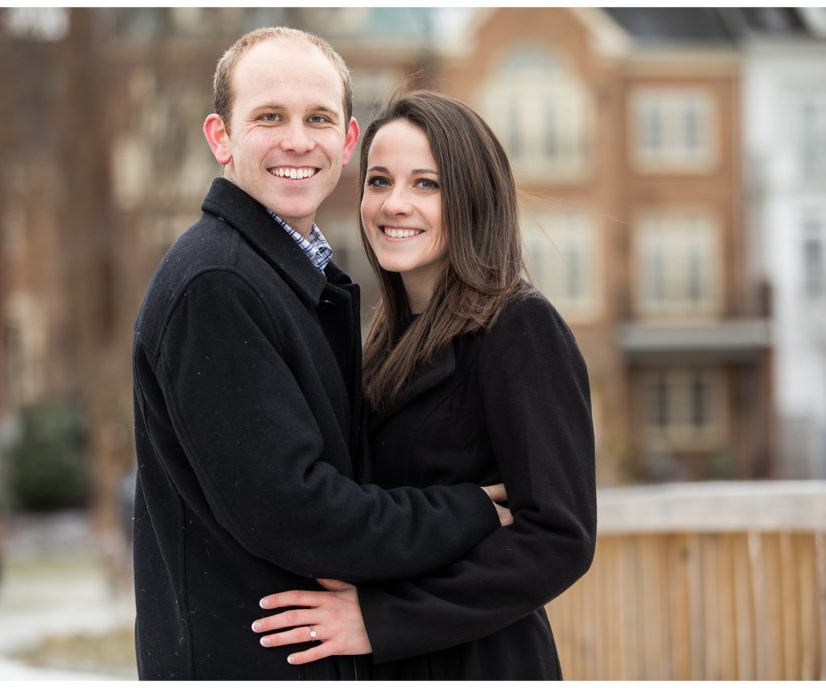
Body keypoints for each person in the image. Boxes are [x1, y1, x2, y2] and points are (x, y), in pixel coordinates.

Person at [131, 30, 510, 680]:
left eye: (318, 119)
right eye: (269, 117)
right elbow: (297, 511)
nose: (298, 141)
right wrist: (470, 511)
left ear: (348, 141)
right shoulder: (218, 285)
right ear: (221, 136)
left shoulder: (286, 277)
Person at [252, 91, 597, 679]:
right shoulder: (384, 337)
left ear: (472, 199)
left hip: (479, 661)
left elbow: (560, 537)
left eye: (426, 185)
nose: (395, 205)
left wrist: (382, 619)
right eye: (380, 181)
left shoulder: (518, 325)